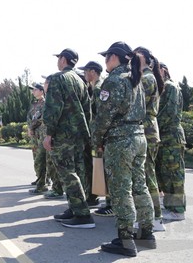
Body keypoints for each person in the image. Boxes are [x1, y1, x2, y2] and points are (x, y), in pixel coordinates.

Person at [92, 42, 155, 257]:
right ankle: (147, 233)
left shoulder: (114, 81)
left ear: (114, 57)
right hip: (139, 137)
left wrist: (97, 140)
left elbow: (103, 117)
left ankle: (125, 240)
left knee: (121, 190)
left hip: (120, 141)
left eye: (106, 57)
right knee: (140, 186)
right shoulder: (136, 79)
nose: (104, 62)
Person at [42, 48, 94, 229]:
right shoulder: (80, 81)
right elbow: (88, 109)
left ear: (63, 60)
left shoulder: (58, 78)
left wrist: (48, 134)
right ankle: (75, 207)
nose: (58, 61)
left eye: (59, 58)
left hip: (64, 134)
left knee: (67, 173)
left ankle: (82, 215)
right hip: (79, 133)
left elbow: (53, 108)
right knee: (78, 171)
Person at [134, 46, 165, 230]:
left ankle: (154, 218)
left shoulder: (145, 78)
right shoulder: (146, 77)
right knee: (146, 174)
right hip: (148, 129)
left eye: (135, 56)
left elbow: (136, 105)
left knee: (147, 174)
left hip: (146, 130)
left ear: (144, 58)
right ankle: (152, 216)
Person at [78, 60, 113, 216]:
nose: (84, 74)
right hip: (97, 137)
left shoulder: (99, 89)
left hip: (102, 138)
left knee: (105, 169)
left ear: (93, 72)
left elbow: (102, 117)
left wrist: (100, 140)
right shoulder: (94, 88)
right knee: (97, 168)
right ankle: (95, 197)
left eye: (86, 71)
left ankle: (111, 204)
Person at [156, 62, 187, 221]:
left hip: (171, 137)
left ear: (164, 70)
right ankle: (170, 206)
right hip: (164, 137)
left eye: (157, 69)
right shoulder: (162, 87)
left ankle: (177, 210)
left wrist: (152, 128)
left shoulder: (170, 87)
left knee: (174, 175)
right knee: (165, 174)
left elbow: (168, 113)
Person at [27, 82, 48, 194]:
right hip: (35, 135)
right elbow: (29, 117)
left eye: (35, 90)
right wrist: (29, 128)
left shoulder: (45, 103)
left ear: (41, 91)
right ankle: (40, 180)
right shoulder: (34, 104)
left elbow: (40, 119)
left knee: (41, 160)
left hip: (42, 134)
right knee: (37, 158)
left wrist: (31, 127)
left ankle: (42, 184)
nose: (33, 92)